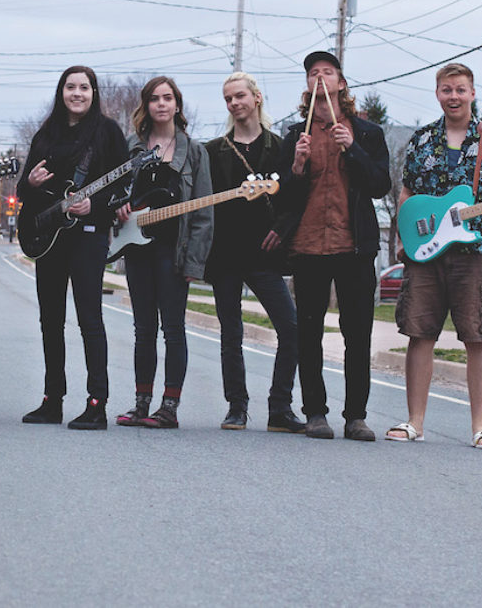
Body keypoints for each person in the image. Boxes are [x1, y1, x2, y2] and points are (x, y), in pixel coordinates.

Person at [387, 63, 482, 449]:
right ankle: (415, 422)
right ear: (438, 94)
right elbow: (408, 195)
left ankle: (480, 426)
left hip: (475, 253)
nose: (454, 96)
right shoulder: (422, 140)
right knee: (419, 333)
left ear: (473, 93)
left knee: (478, 338)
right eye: (447, 90)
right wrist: (409, 239)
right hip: (426, 255)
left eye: (460, 89)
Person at [278, 50, 390, 441]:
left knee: (357, 334)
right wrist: (294, 168)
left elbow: (380, 185)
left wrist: (352, 148)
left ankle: (356, 415)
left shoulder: (368, 132)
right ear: (308, 86)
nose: (320, 77)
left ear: (341, 83)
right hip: (308, 246)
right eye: (313, 73)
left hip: (354, 246)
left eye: (328, 72)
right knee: (308, 333)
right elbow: (282, 199)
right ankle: (315, 413)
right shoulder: (295, 136)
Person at [18, 66, 128, 430]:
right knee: (50, 319)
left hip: (88, 237)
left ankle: (97, 403)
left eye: (84, 87)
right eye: (70, 87)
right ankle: (52, 400)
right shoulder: (46, 133)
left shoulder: (108, 133)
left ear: (94, 93)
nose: (77, 93)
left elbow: (124, 187)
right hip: (49, 237)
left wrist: (93, 206)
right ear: (61, 91)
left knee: (89, 320)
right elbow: (24, 191)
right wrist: (31, 182)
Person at [204, 72, 306, 434]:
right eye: (228, 98)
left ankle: (280, 407)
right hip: (224, 255)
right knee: (231, 332)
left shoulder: (280, 147)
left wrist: (282, 229)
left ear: (257, 98)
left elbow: (295, 198)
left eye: (240, 96)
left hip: (264, 255)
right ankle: (237, 407)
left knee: (290, 329)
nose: (234, 103)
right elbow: (204, 205)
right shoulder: (213, 151)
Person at [115, 76, 212, 429]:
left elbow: (204, 212)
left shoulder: (194, 151)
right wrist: (119, 208)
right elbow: (115, 194)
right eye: (154, 98)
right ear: (146, 105)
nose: (161, 104)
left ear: (177, 104)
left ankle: (169, 407)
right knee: (144, 329)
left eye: (167, 98)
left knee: (173, 329)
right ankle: (141, 403)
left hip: (176, 250)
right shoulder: (131, 147)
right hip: (137, 248)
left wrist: (195, 262)